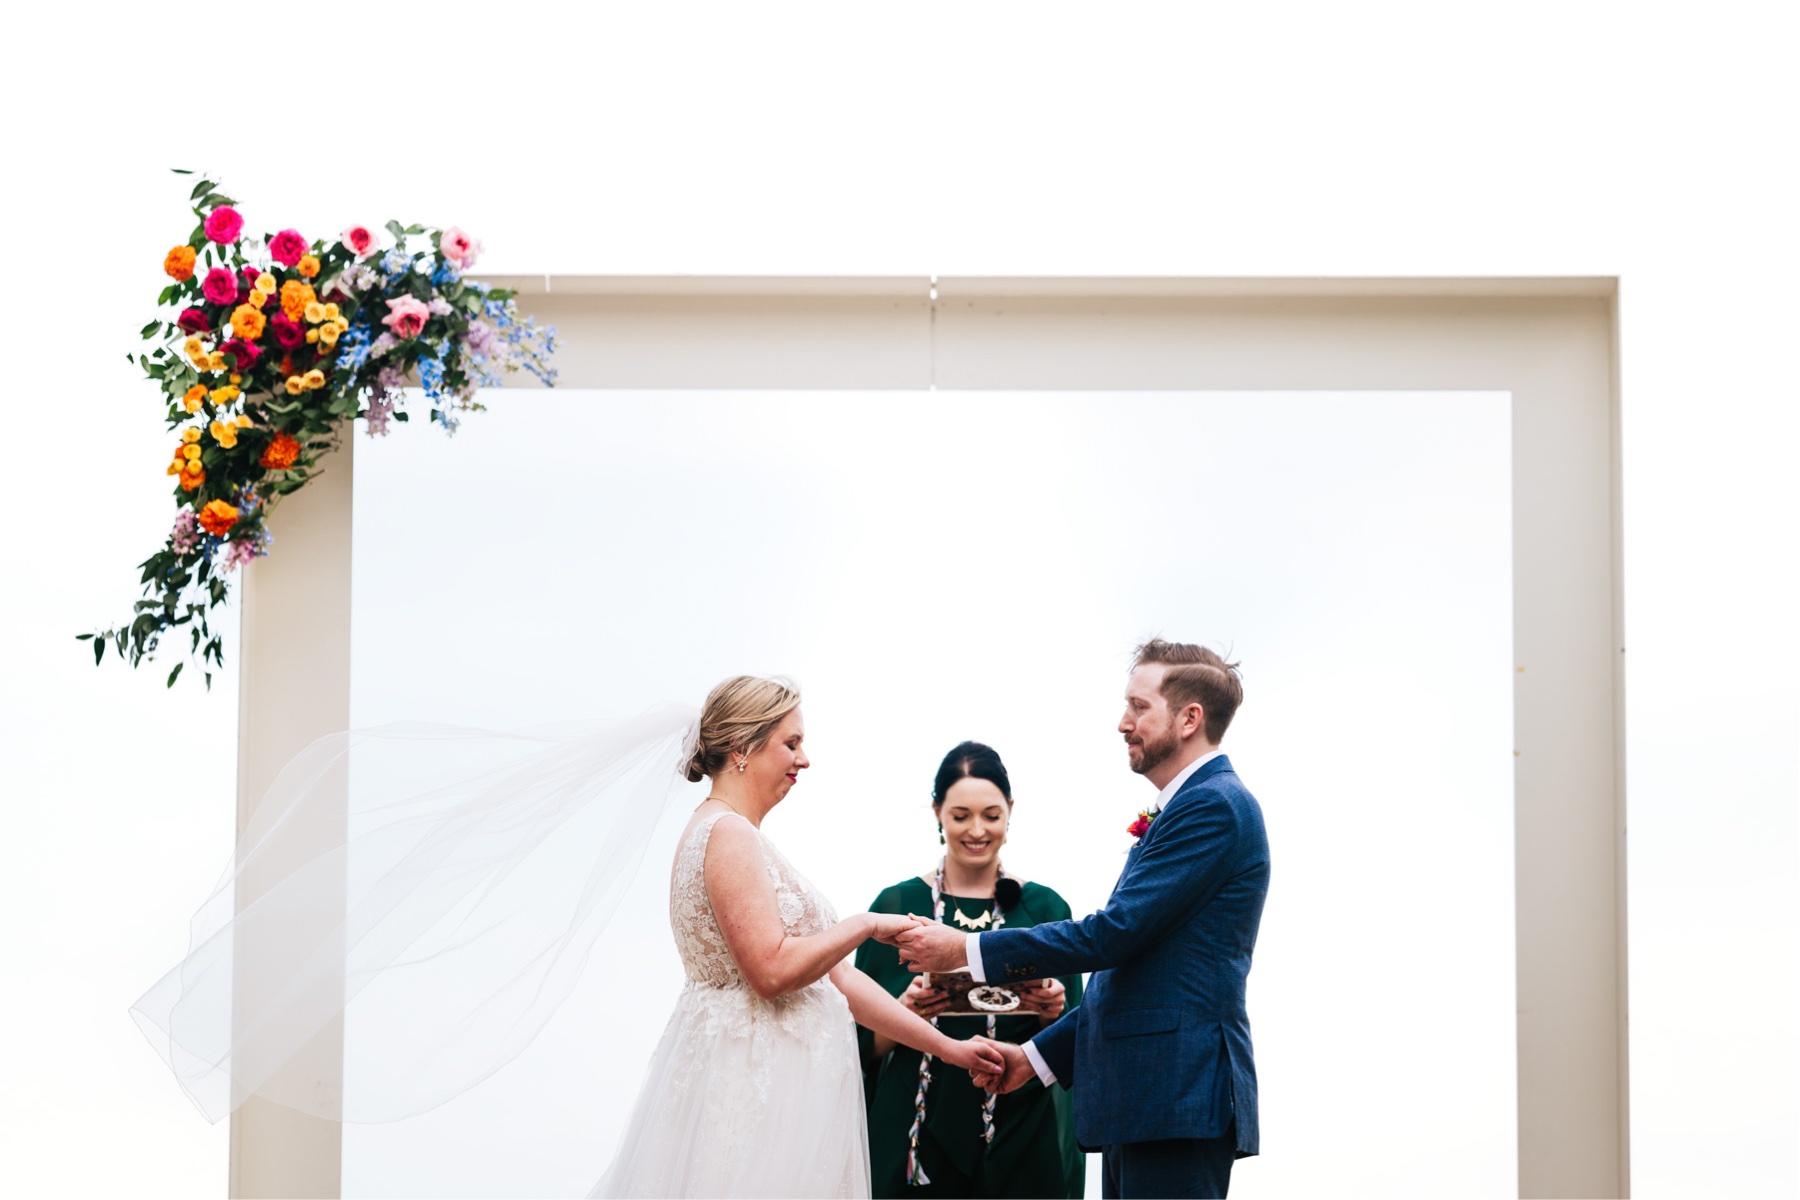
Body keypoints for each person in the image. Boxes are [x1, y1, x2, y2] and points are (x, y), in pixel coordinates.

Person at [591, 676, 1004, 1198]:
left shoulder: (728, 832)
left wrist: (949, 1049)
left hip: (770, 1085)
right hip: (756, 1092)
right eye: (791, 743)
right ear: (742, 747)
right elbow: (771, 973)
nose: (803, 760)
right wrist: (865, 925)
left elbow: (839, 984)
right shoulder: (728, 834)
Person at [888, 641, 1269, 1200]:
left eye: (1139, 707)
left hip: (1176, 1096)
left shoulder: (1213, 806)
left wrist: (964, 952)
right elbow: (1135, 972)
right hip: (1144, 1100)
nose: (1123, 723)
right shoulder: (1187, 806)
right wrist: (1034, 1059)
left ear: (1190, 719)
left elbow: (1112, 937)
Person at [855, 742, 1086, 1198]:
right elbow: (859, 1044)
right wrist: (904, 1013)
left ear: (1010, 811)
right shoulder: (896, 907)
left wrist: (1050, 1013)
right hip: (915, 1132)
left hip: (1022, 1125)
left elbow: (1078, 1037)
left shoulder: (1046, 907)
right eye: (961, 816)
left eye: (991, 815)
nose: (976, 830)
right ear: (938, 812)